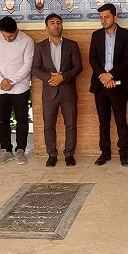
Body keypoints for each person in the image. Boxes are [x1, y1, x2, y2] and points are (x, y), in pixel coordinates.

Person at [31, 13, 82, 166]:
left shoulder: (72, 45)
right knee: (48, 125)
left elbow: (78, 67)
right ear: (46, 27)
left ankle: (69, 154)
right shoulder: (40, 47)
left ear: (62, 25)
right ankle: (52, 154)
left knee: (71, 125)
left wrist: (63, 77)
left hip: (68, 91)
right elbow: (35, 68)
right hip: (49, 92)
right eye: (52, 23)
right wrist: (51, 78)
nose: (56, 25)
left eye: (58, 22)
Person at [90, 3, 128, 166]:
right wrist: (103, 76)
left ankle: (123, 153)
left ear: (115, 17)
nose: (103, 20)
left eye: (107, 17)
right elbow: (92, 58)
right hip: (100, 85)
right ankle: (105, 153)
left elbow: (127, 60)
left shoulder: (126, 35)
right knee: (103, 121)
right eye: (101, 17)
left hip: (119, 84)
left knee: (121, 120)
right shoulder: (96, 35)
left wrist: (111, 75)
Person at [0, 16, 35, 165]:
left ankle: (20, 149)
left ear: (17, 30)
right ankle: (6, 150)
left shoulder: (27, 41)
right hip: (0, 86)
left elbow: (27, 65)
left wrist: (12, 81)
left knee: (21, 119)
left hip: (20, 87)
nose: (8, 39)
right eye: (5, 36)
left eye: (11, 36)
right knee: (2, 119)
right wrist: (0, 79)